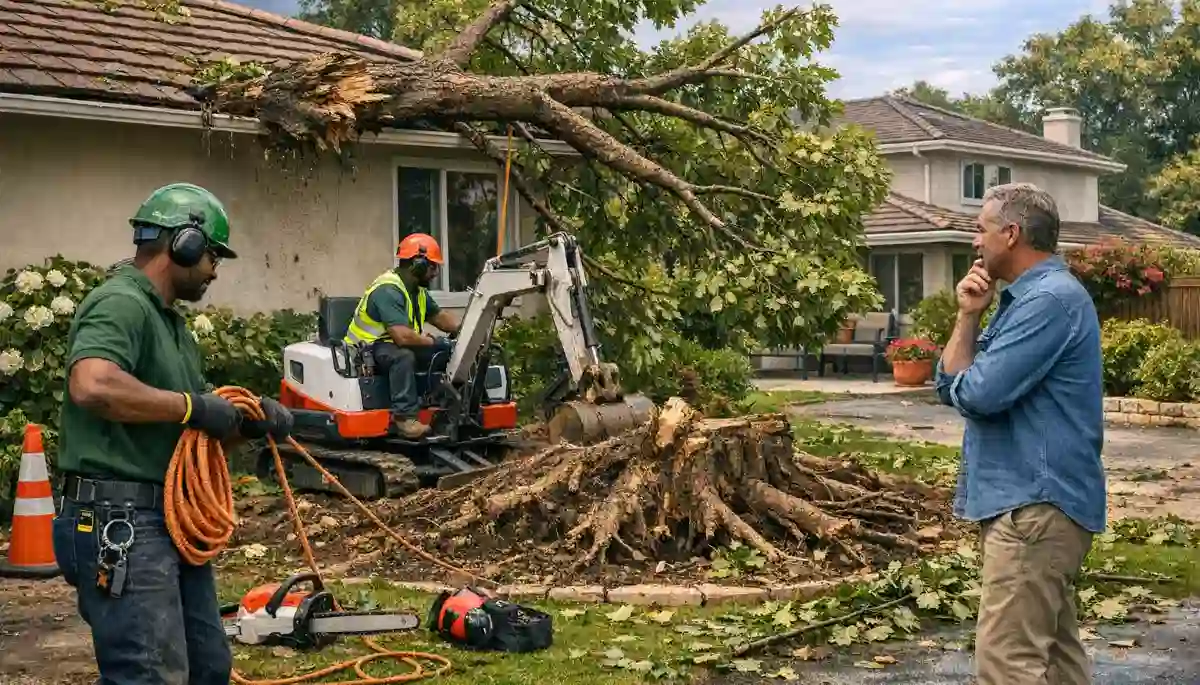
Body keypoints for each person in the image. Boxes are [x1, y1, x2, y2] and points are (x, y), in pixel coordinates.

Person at [51, 182, 295, 685]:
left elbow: (191, 432)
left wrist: (246, 423)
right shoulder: (120, 303)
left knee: (207, 667)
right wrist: (192, 406)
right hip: (118, 520)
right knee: (147, 674)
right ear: (182, 242)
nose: (214, 270)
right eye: (211, 255)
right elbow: (92, 384)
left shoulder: (173, 327)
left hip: (164, 517)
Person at [934, 182, 1106, 685]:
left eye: (980, 229)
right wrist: (968, 316)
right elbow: (950, 384)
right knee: (1055, 664)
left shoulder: (1048, 301)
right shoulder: (1023, 301)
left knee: (1007, 665)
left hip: (1034, 507)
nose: (974, 241)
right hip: (1034, 507)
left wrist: (965, 379)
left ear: (1011, 234)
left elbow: (979, 393)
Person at [343, 233, 461, 438]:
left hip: (389, 345)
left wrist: (465, 330)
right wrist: (434, 341)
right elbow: (402, 337)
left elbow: (439, 317)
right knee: (403, 357)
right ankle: (405, 418)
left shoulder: (417, 292)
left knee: (445, 353)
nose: (436, 273)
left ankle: (445, 407)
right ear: (418, 265)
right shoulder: (388, 289)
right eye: (433, 267)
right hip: (366, 349)